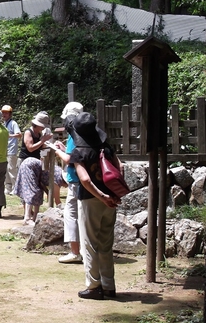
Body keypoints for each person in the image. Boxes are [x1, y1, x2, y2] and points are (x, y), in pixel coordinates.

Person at [69, 112, 122, 300]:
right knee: (106, 243)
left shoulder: (78, 152)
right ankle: (109, 286)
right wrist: (113, 195)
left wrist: (101, 196)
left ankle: (93, 286)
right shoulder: (106, 147)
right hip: (111, 201)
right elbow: (119, 168)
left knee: (89, 244)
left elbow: (84, 179)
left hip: (91, 200)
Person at [53, 101, 84, 264]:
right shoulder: (88, 131)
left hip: (76, 180)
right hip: (86, 179)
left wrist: (58, 151)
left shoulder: (74, 133)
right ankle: (85, 250)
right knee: (85, 215)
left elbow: (71, 159)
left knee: (71, 215)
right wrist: (64, 149)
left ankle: (75, 252)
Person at [13, 157, 63, 226]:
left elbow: (42, 182)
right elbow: (57, 201)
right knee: (32, 191)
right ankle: (27, 218)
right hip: (30, 166)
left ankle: (35, 217)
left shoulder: (59, 173)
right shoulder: (58, 178)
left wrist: (47, 192)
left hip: (33, 168)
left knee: (38, 191)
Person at [1, 105, 21, 195]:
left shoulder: (13, 123)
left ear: (10, 114)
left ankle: (15, 187)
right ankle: (8, 187)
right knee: (5, 169)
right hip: (5, 149)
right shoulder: (4, 124)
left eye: (6, 113)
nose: (4, 114)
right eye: (3, 112)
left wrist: (10, 136)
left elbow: (19, 134)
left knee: (11, 169)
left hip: (12, 149)